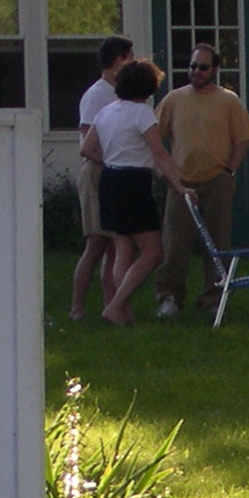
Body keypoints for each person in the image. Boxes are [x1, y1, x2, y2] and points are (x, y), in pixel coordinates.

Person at [155, 43, 249, 319]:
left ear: (214, 69)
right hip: (181, 183)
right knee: (175, 244)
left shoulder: (228, 100)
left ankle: (213, 298)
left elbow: (245, 137)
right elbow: (154, 136)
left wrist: (229, 171)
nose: (196, 72)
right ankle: (169, 298)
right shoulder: (174, 100)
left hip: (217, 180)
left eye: (202, 67)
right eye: (192, 66)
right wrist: (168, 171)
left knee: (217, 243)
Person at [79, 60, 187, 325]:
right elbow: (159, 152)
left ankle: (124, 313)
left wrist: (112, 159)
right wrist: (180, 186)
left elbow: (86, 149)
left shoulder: (106, 112)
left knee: (122, 249)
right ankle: (115, 306)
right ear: (148, 87)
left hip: (110, 180)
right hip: (134, 183)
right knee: (153, 253)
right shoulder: (142, 113)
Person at [68, 34, 135, 320]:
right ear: (117, 59)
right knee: (96, 242)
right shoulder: (97, 94)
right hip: (97, 173)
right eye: (129, 56)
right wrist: (111, 161)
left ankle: (112, 306)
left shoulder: (120, 92)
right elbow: (87, 144)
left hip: (115, 174)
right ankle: (77, 308)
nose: (132, 62)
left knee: (113, 244)